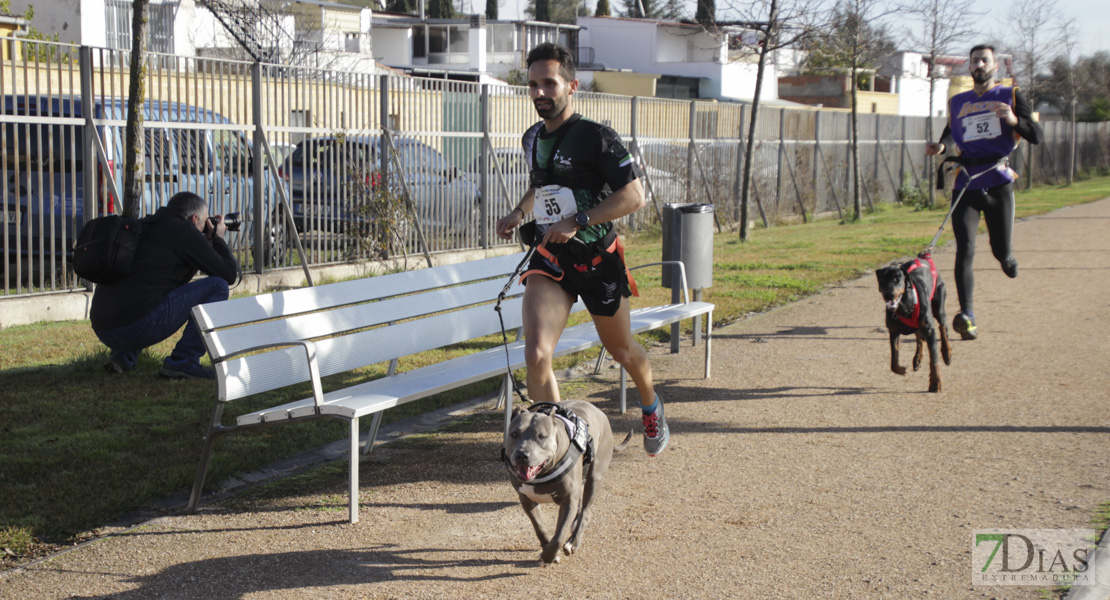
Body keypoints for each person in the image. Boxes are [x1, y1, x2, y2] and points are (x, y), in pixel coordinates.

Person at [495, 42, 668, 456]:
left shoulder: (597, 137)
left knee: (622, 350)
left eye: (548, 83)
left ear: (571, 86)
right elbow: (541, 185)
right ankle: (555, 453)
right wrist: (520, 212)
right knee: (537, 353)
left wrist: (578, 221)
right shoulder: (532, 137)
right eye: (533, 84)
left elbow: (634, 196)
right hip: (551, 258)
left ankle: (651, 405)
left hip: (595, 258)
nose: (539, 92)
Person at [926, 44, 1042, 341]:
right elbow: (950, 134)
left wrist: (1013, 120)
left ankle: (1007, 257)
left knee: (999, 249)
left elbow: (1036, 135)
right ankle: (968, 315)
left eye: (984, 60)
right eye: (975, 60)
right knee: (965, 248)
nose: (979, 64)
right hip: (966, 181)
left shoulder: (1011, 95)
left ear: (995, 66)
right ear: (970, 66)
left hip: (998, 179)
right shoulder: (958, 100)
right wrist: (941, 148)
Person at [91, 191, 240, 379]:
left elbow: (170, 282)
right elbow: (228, 274)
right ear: (195, 219)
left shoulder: (147, 224)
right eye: (204, 222)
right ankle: (183, 361)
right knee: (218, 286)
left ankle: (124, 356)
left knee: (148, 291)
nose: (205, 227)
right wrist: (218, 238)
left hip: (104, 327)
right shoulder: (183, 232)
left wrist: (206, 245)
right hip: (133, 328)